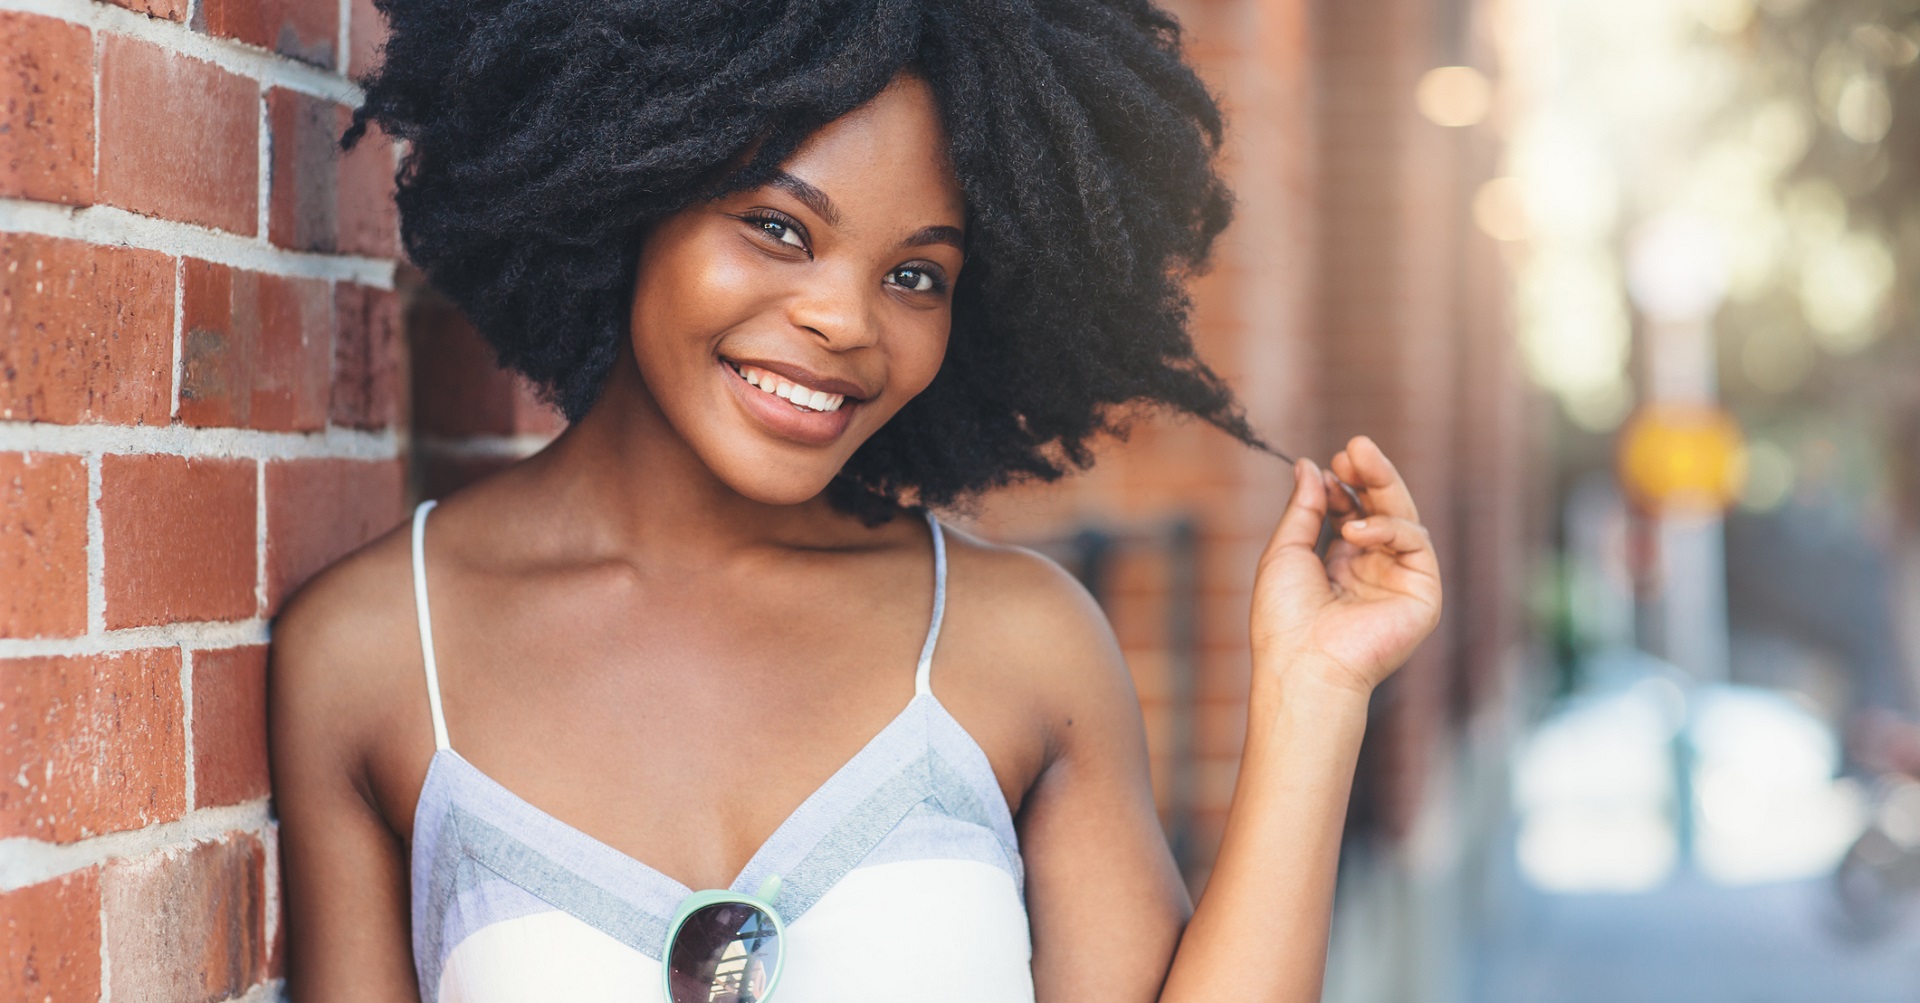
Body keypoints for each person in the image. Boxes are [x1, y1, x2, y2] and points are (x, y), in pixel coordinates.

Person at [267, 2, 1443, 1001]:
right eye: (778, 227)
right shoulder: (377, 655)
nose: (846, 320)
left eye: (916, 275)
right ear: (628, 184)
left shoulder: (1018, 642)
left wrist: (1317, 691)